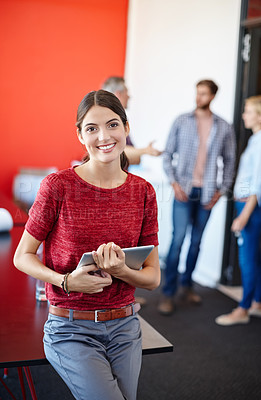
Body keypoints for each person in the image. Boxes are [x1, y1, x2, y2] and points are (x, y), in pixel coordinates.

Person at [13, 90, 160, 400]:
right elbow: (22, 256)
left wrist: (121, 269)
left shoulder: (143, 192)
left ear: (126, 128)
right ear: (80, 134)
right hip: (70, 330)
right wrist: (65, 281)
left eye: (112, 125)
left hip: (125, 326)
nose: (103, 136)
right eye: (92, 128)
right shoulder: (58, 186)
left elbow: (152, 278)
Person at [158, 79, 236, 315]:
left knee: (196, 243)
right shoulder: (182, 121)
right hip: (183, 190)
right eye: (197, 93)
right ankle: (168, 293)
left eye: (203, 94)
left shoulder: (224, 127)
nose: (198, 97)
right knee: (178, 240)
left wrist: (221, 191)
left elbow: (231, 160)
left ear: (212, 96)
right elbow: (167, 155)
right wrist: (174, 183)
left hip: (207, 192)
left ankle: (187, 286)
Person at [215, 95, 261, 326]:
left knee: (246, 259)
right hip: (245, 202)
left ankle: (243, 309)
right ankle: (258, 302)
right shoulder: (257, 140)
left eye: (248, 111)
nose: (244, 115)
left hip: (250, 206)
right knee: (254, 256)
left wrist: (244, 215)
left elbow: (257, 183)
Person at [102, 76, 162, 165]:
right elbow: (115, 152)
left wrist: (138, 153)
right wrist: (145, 151)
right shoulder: (107, 120)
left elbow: (136, 159)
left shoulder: (121, 121)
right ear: (118, 94)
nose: (129, 96)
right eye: (127, 92)